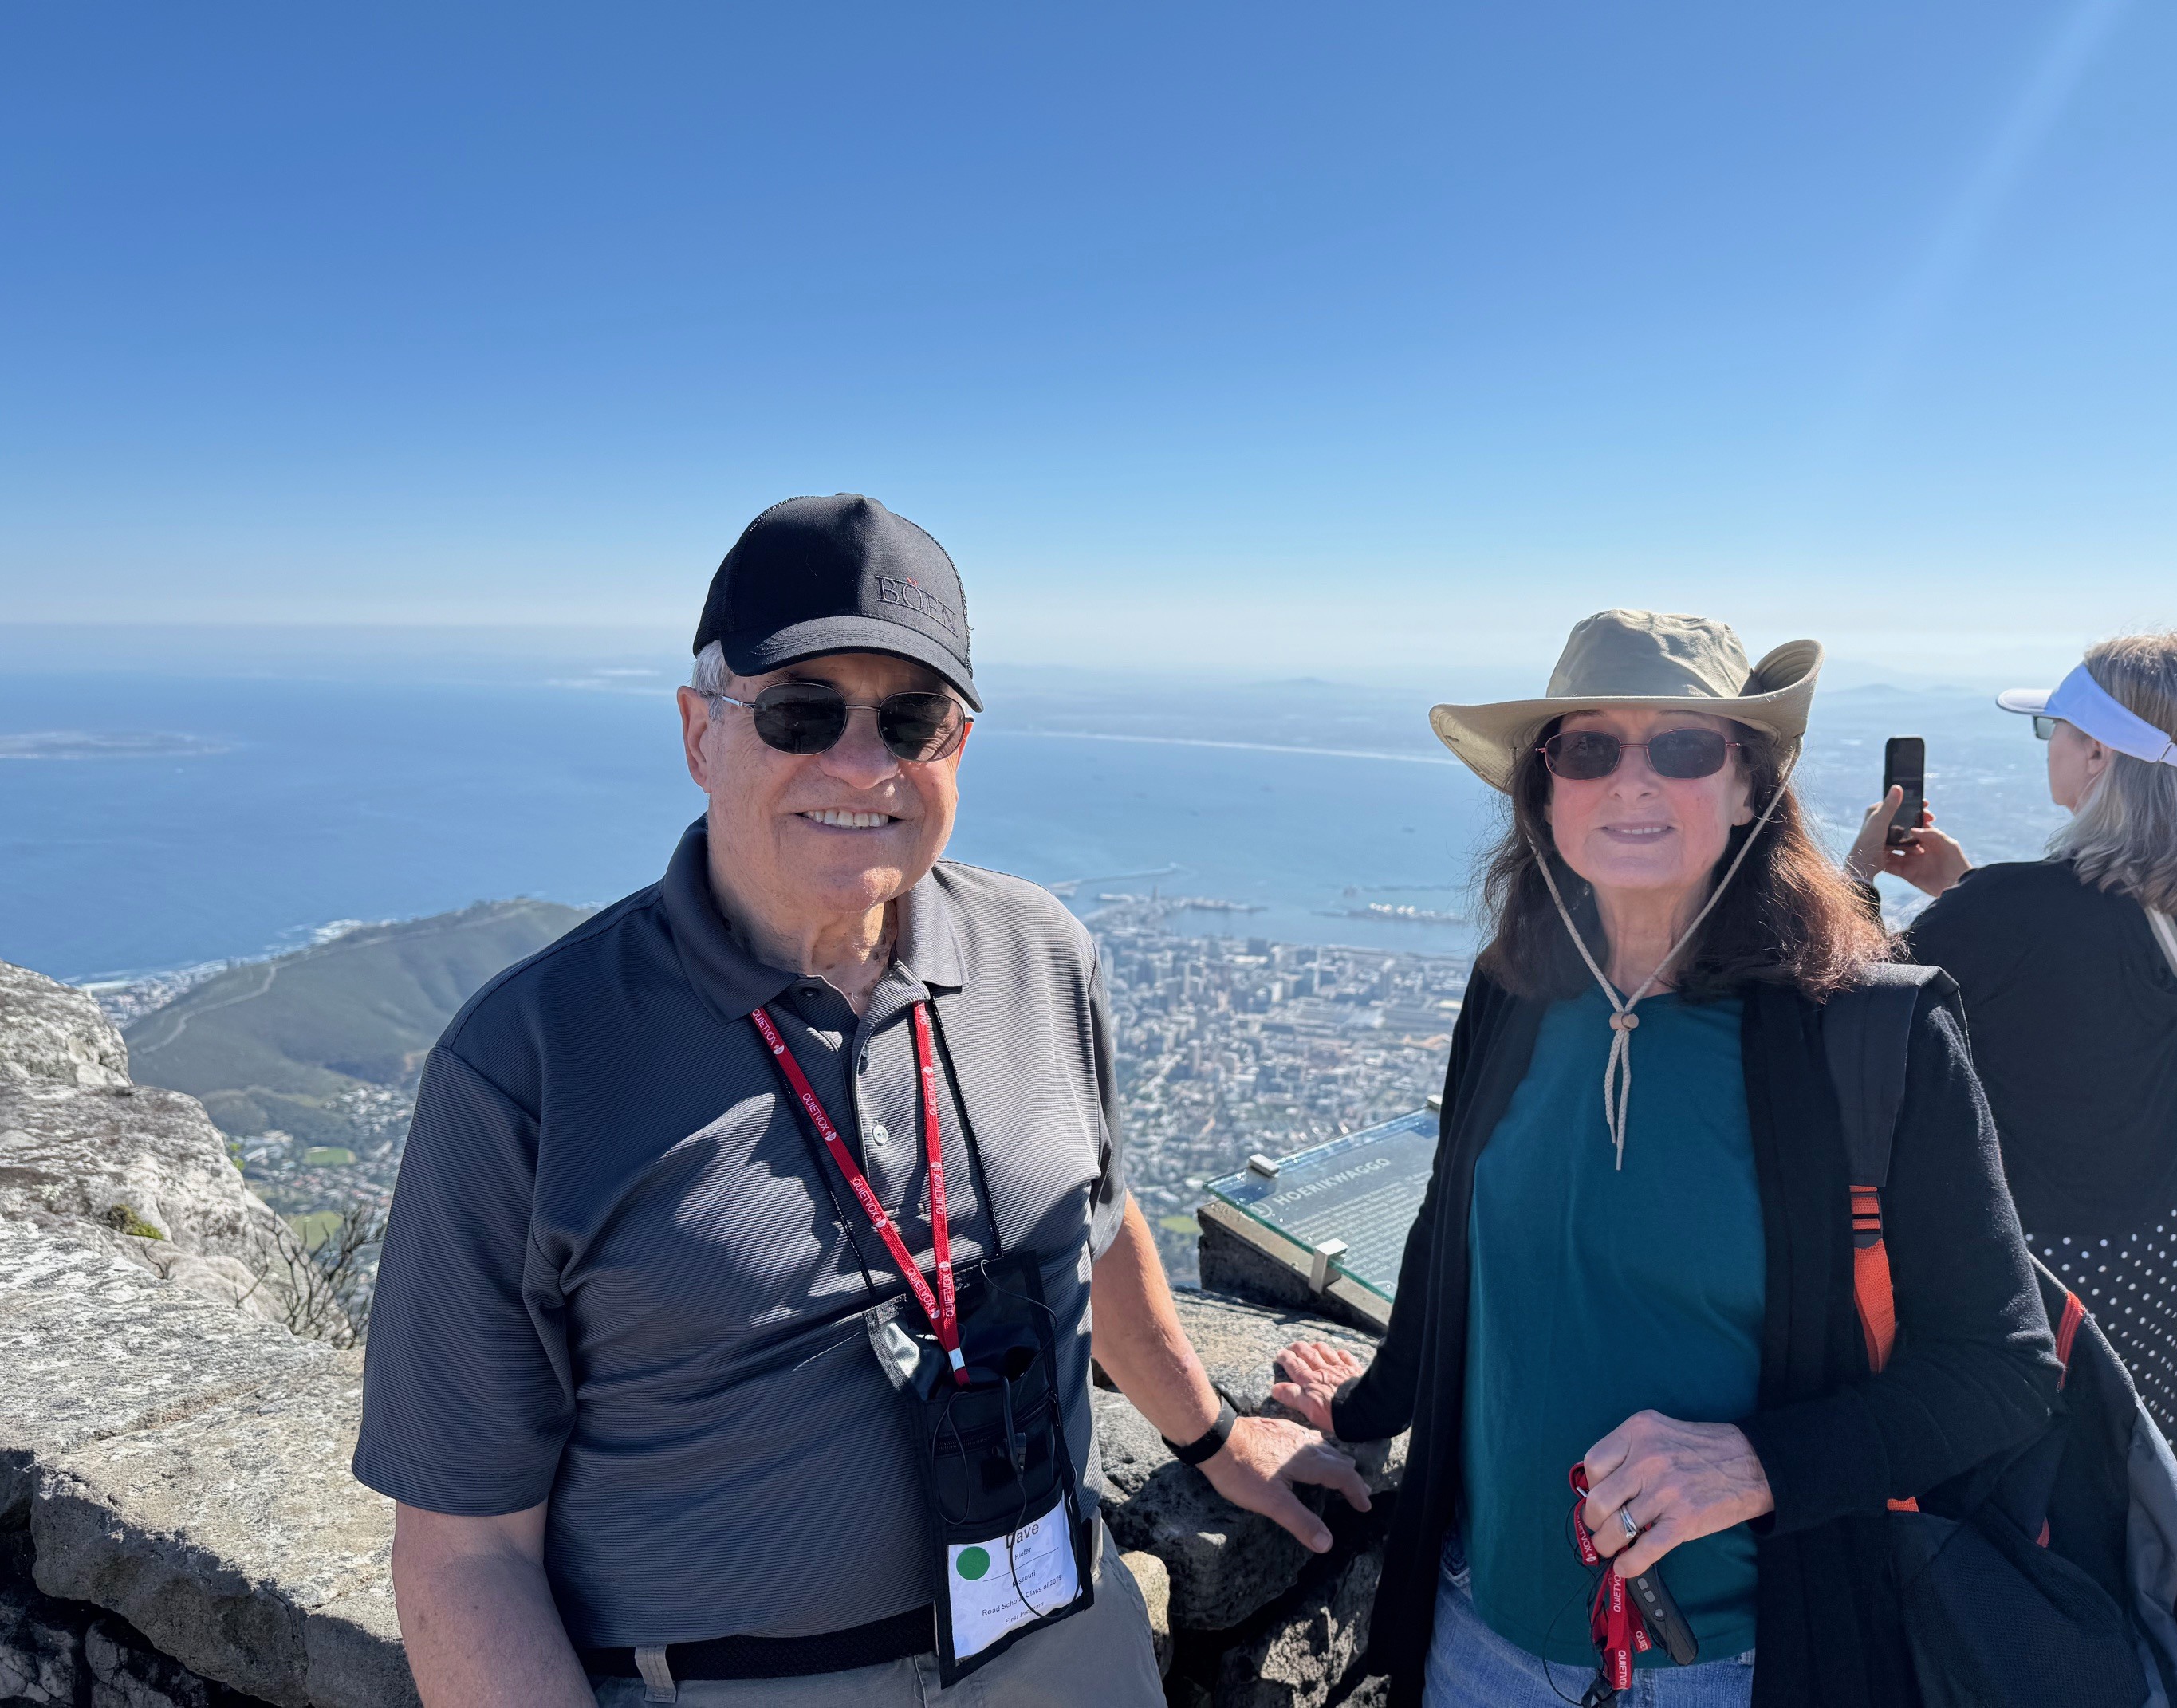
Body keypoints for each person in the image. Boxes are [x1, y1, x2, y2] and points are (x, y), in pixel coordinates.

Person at [354, 494, 1371, 1708]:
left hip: (1064, 1640)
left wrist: (1213, 1435)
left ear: (959, 744)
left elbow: (1095, 1225)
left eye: (911, 717)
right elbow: (463, 1549)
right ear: (699, 732)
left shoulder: (1040, 954)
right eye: (802, 711)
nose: (860, 762)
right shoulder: (531, 1062)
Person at [1273, 609, 2062, 1708]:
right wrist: (1360, 1408)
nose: (1630, 781)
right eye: (1590, 747)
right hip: (1475, 1635)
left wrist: (1759, 1462)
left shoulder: (1868, 1031)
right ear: (1544, 792)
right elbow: (1450, 1235)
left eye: (1684, 746)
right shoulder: (1510, 995)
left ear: (1750, 787)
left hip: (1737, 1664)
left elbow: (2005, 1370)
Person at [1847, 631, 2177, 1475]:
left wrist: (1856, 876)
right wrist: (1964, 891)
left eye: (2056, 732)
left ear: (2099, 753)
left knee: (2028, 1485)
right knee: (2132, 1466)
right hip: (2154, 1232)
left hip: (2027, 1260)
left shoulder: (2005, 913)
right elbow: (2098, 988)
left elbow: (1840, 997)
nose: (2053, 749)